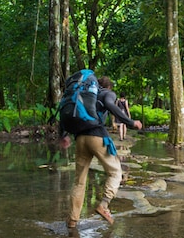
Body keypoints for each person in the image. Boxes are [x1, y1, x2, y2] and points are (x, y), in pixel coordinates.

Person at [59, 76, 142, 228]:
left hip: (80, 138)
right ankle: (104, 205)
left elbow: (68, 111)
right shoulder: (107, 93)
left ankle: (72, 220)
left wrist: (63, 135)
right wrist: (130, 122)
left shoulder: (82, 94)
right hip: (97, 136)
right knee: (116, 172)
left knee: (79, 181)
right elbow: (110, 105)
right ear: (109, 87)